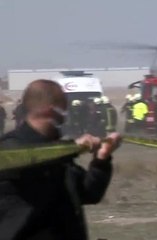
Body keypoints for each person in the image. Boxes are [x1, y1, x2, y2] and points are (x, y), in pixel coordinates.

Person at [0, 79, 121, 240]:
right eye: (64, 107)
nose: (66, 115)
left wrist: (101, 160)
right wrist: (73, 147)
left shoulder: (59, 152)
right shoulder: (11, 146)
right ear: (50, 110)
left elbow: (88, 193)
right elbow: (26, 158)